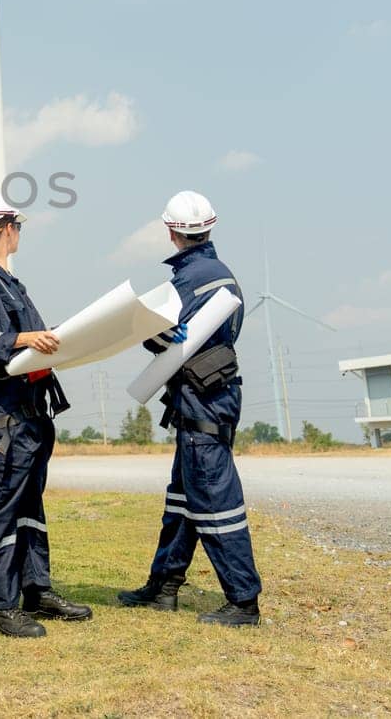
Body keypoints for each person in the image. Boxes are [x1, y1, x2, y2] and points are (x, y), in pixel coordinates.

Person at [117, 190, 262, 625]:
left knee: (216, 503)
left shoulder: (185, 279)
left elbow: (159, 337)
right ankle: (164, 587)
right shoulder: (225, 275)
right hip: (212, 396)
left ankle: (243, 601)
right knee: (183, 500)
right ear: (210, 227)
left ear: (170, 231)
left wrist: (145, 331)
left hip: (203, 401)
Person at [0, 197, 93, 638]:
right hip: (9, 416)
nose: (21, 231)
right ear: (6, 229)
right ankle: (2, 608)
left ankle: (37, 589)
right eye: (18, 224)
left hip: (33, 412)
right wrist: (27, 337)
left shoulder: (8, 280)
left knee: (29, 507)